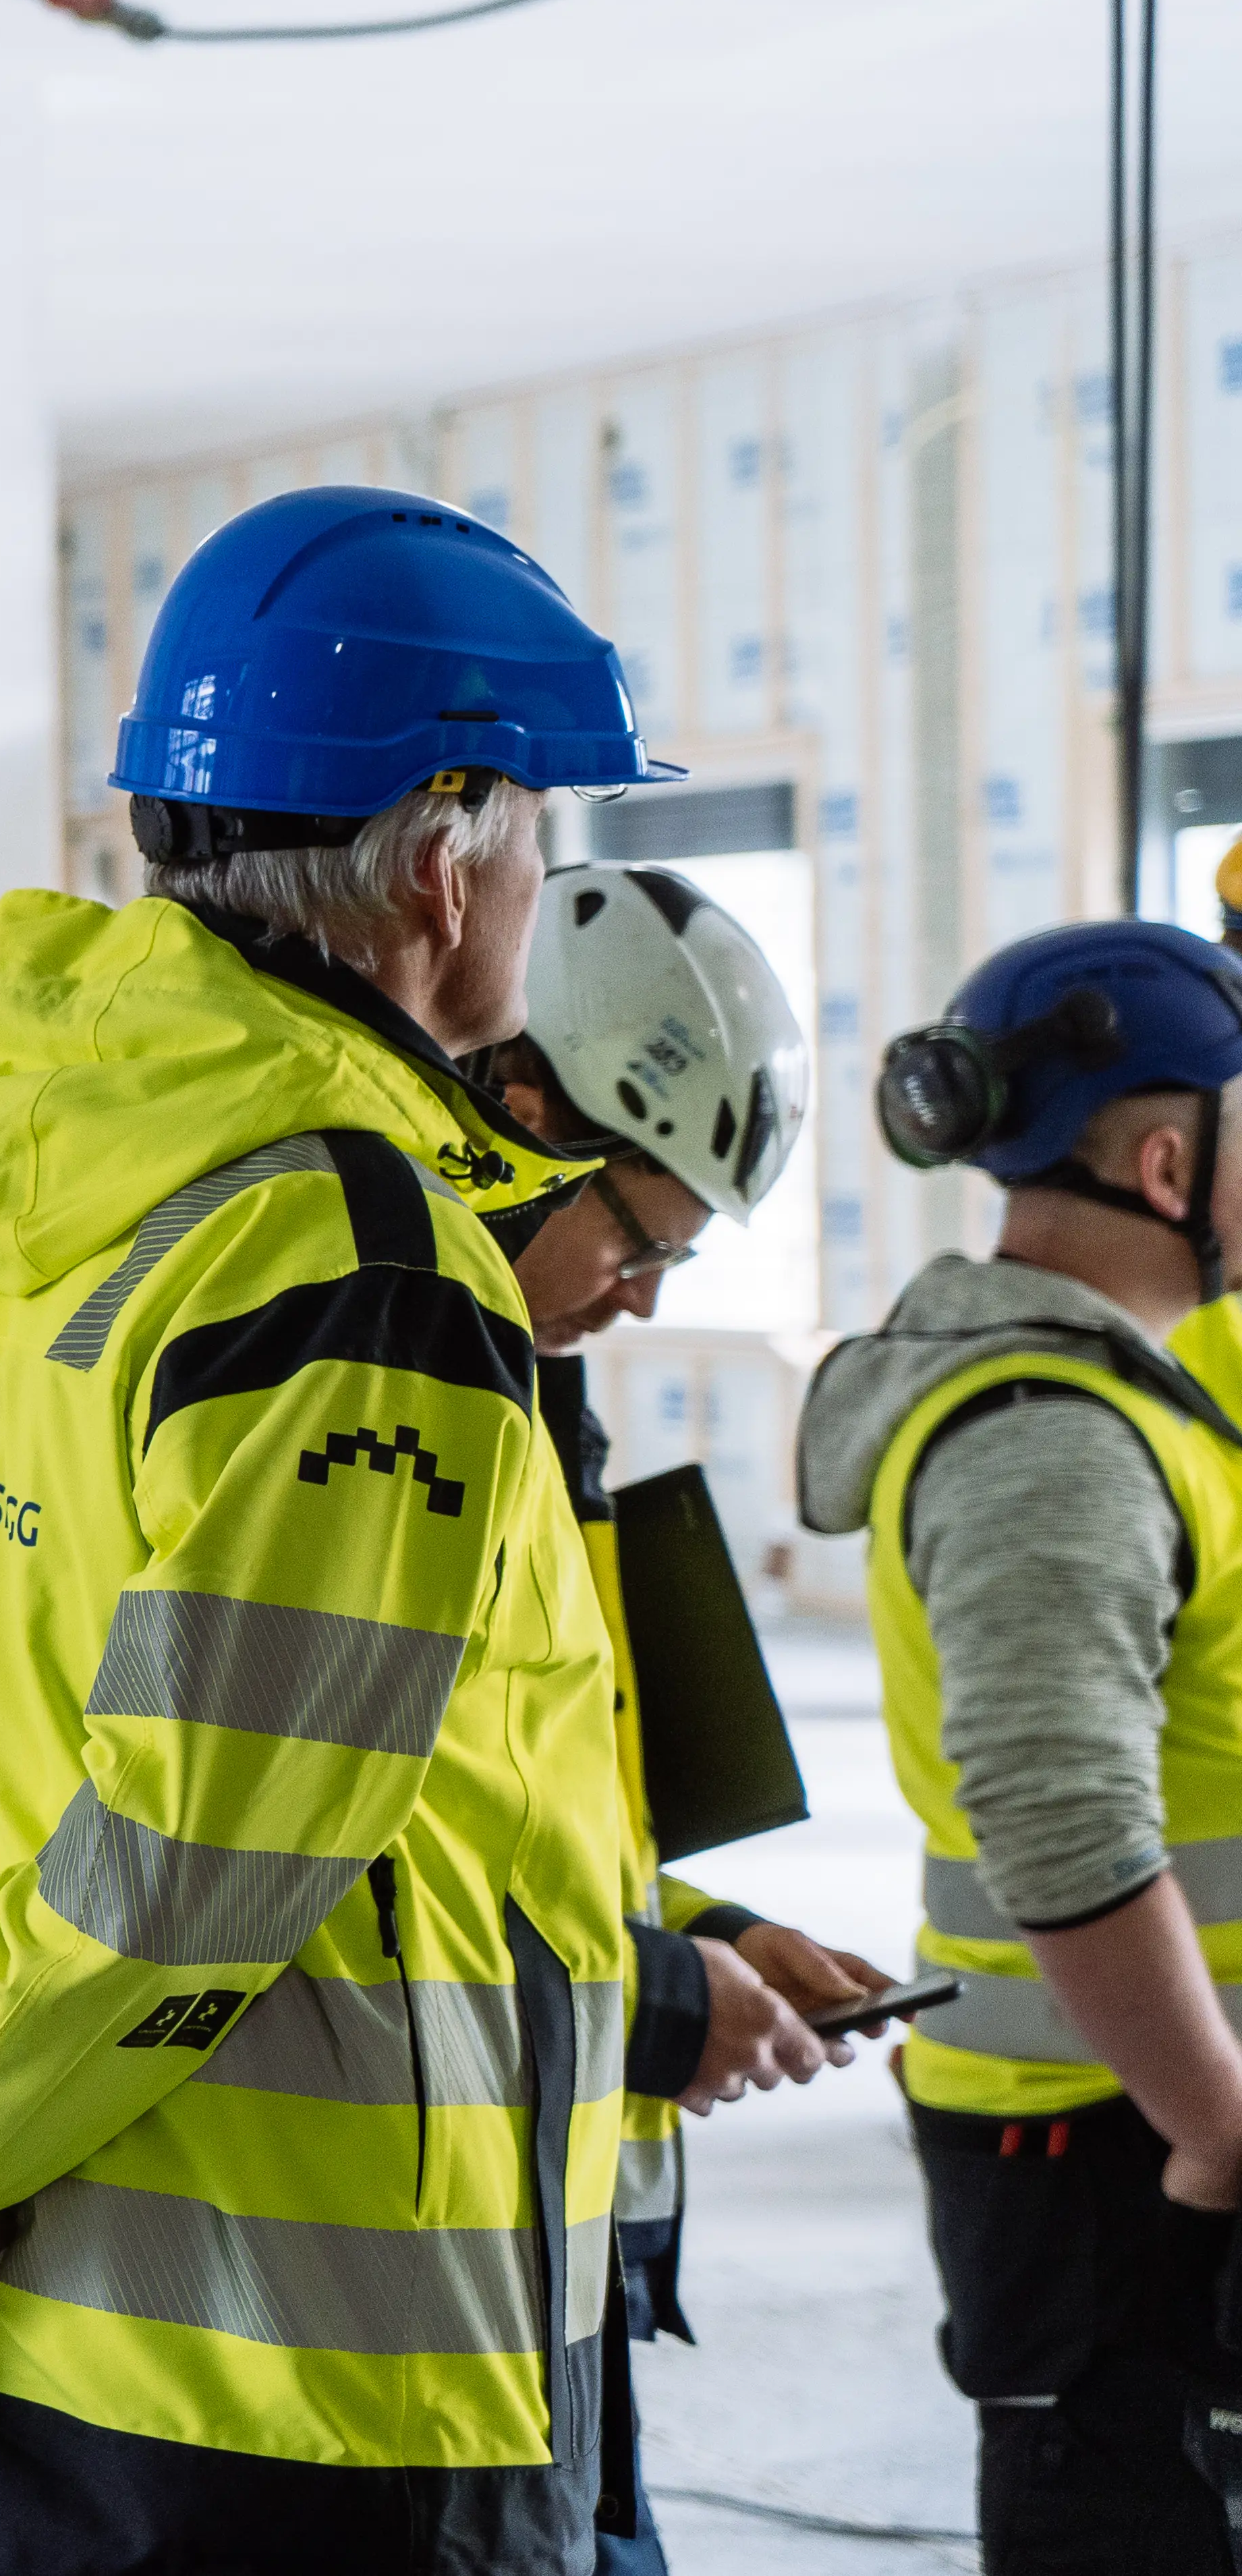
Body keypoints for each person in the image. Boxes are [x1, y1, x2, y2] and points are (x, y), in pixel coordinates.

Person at [0, 486, 793, 2573]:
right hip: (312, 2408)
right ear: (449, 852)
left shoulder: (12, 1205)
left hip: (12, 2317)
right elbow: (197, 1858)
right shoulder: (358, 1254)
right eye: (546, 833)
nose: (541, 887)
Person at [797, 920, 1242, 2571]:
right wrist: (1219, 2125)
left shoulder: (1148, 1395)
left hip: (1142, 2099)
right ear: (1165, 1156)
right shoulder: (1048, 1439)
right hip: (1117, 2136)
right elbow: (1060, 1819)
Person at [470, 863, 894, 2574]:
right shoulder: (384, 1417)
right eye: (639, 1239)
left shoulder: (538, 1406)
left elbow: (509, 1806)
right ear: (517, 1113)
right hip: (440, 2293)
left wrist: (709, 1931)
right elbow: (322, 1866)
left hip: (572, 2255)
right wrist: (656, 1999)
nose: (642, 1294)